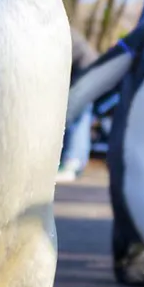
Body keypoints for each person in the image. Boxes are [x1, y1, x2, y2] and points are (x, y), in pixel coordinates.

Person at [56, 28, 99, 182]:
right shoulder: (64, 30)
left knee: (76, 115)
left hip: (85, 70)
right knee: (81, 114)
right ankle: (76, 162)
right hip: (90, 69)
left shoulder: (56, 33)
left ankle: (72, 161)